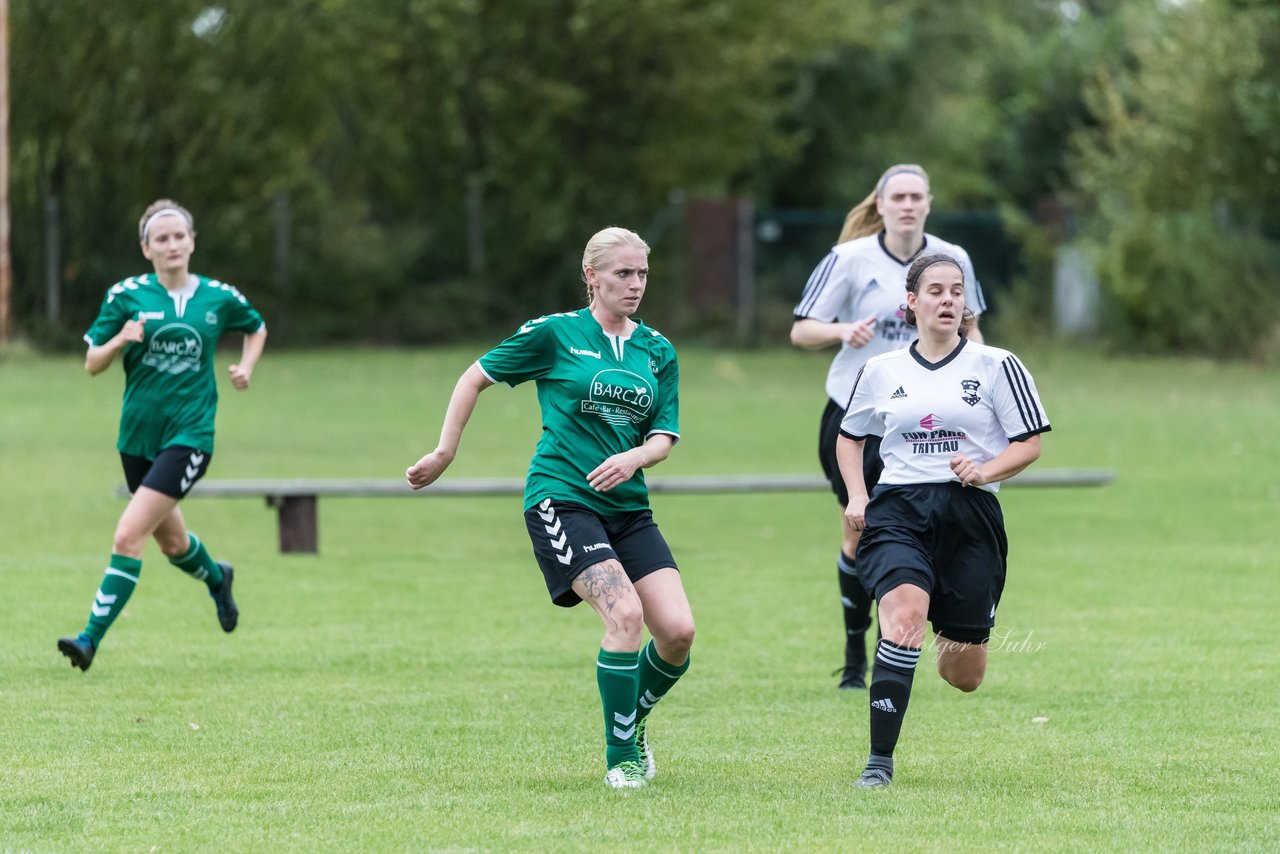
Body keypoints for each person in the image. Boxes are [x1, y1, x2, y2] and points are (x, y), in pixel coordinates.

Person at [405, 227, 694, 790]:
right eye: (623, 274)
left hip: (629, 508)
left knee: (678, 633)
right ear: (592, 276)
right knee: (625, 616)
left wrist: (635, 457)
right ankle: (621, 760)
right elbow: (475, 377)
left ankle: (632, 723)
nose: (635, 285)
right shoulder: (554, 335)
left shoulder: (657, 349)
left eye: (642, 274)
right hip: (561, 498)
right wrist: (445, 450)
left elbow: (664, 436)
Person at [837, 252, 1049, 788]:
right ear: (911, 302)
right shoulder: (881, 370)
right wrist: (858, 496)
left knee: (964, 675)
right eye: (935, 290)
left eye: (956, 291)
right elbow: (850, 436)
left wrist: (983, 470)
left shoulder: (997, 364)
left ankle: (933, 641)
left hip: (970, 513)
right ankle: (878, 764)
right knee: (904, 615)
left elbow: (1029, 444)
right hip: (899, 509)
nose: (947, 300)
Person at [790, 164, 988, 690]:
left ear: (928, 203)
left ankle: (907, 638)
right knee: (858, 533)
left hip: (929, 420)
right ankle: (856, 656)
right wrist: (840, 330)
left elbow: (974, 331)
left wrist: (985, 389)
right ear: (879, 204)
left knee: (932, 529)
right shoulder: (849, 259)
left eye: (916, 196)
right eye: (897, 196)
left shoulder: (952, 260)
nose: (906, 204)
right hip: (858, 419)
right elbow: (800, 330)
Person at [57, 199, 267, 672]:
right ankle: (218, 578)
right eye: (162, 239)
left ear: (192, 242)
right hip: (136, 439)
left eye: (180, 237)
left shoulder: (219, 297)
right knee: (172, 544)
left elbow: (256, 326)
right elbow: (92, 363)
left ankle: (88, 640)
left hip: (190, 435)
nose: (172, 245)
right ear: (146, 248)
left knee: (129, 535)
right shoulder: (125, 296)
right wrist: (119, 340)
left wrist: (245, 367)